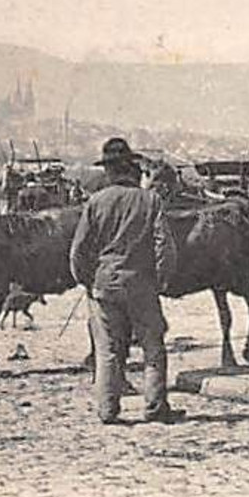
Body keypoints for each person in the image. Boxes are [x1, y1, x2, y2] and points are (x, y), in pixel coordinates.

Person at [70, 137, 183, 425]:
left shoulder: (96, 202)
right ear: (130, 167)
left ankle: (108, 410)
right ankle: (155, 406)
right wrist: (161, 280)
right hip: (141, 285)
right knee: (153, 347)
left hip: (105, 284)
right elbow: (165, 247)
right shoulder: (150, 200)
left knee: (108, 350)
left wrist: (87, 281)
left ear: (108, 171)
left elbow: (78, 251)